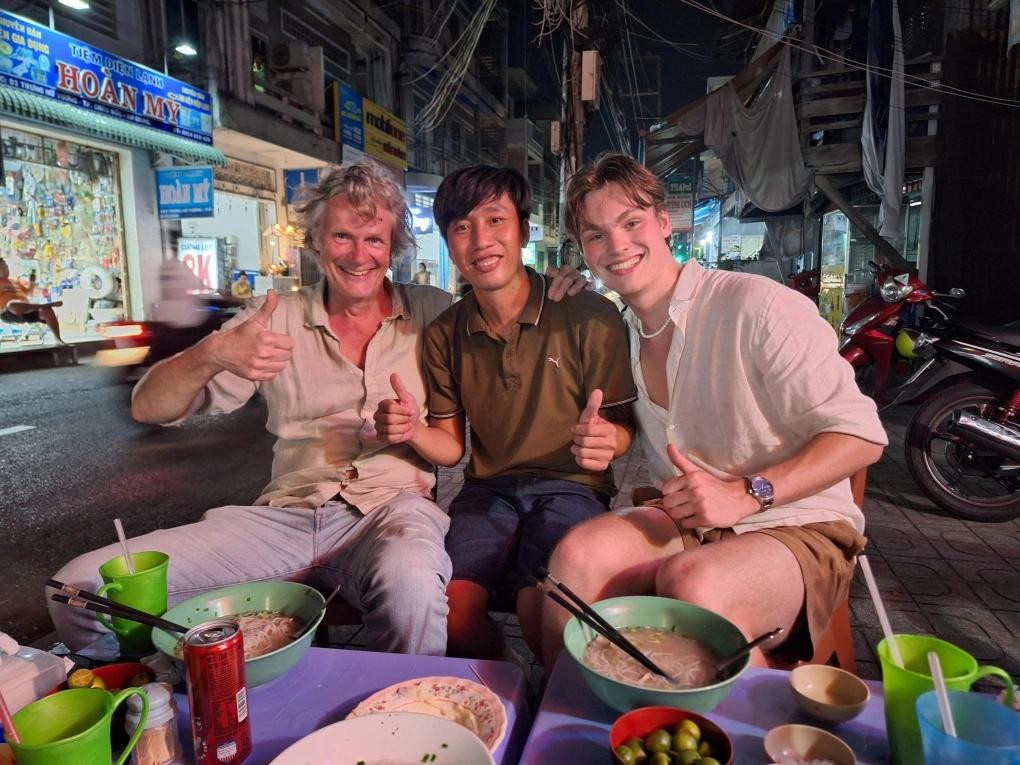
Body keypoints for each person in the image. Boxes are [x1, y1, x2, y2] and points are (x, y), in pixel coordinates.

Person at [48, 162, 588, 653]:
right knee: (80, 589)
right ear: (315, 242)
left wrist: (563, 284)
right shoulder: (272, 318)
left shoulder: (434, 313)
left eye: (374, 239)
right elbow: (149, 408)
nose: (359, 255)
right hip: (283, 516)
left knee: (414, 594)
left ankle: (403, 727)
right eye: (343, 236)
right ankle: (138, 703)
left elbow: (507, 301)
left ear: (393, 246)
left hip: (392, 511)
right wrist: (211, 353)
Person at [540, 154, 888, 669]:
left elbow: (862, 435)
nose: (616, 246)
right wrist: (605, 437)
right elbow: (624, 428)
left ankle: (743, 729)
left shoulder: (757, 306)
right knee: (575, 560)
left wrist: (748, 493)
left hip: (799, 523)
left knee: (693, 584)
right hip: (687, 518)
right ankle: (568, 723)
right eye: (595, 235)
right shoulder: (618, 331)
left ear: (663, 222)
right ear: (585, 253)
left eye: (631, 223)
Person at [373, 165, 637, 660]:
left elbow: (623, 426)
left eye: (495, 220)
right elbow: (451, 448)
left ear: (523, 229)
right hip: (488, 490)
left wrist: (609, 442)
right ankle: (510, 692)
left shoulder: (588, 316)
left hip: (572, 486)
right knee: (452, 608)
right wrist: (412, 430)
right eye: (461, 227)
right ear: (450, 245)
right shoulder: (444, 333)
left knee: (543, 609)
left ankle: (549, 708)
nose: (480, 241)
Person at [0, 259, 66, 344]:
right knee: (11, 304)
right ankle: (44, 305)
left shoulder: (15, 281)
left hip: (26, 310)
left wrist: (32, 282)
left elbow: (29, 293)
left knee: (47, 311)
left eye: (6, 267)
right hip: (8, 313)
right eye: (2, 268)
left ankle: (58, 339)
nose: (6, 269)